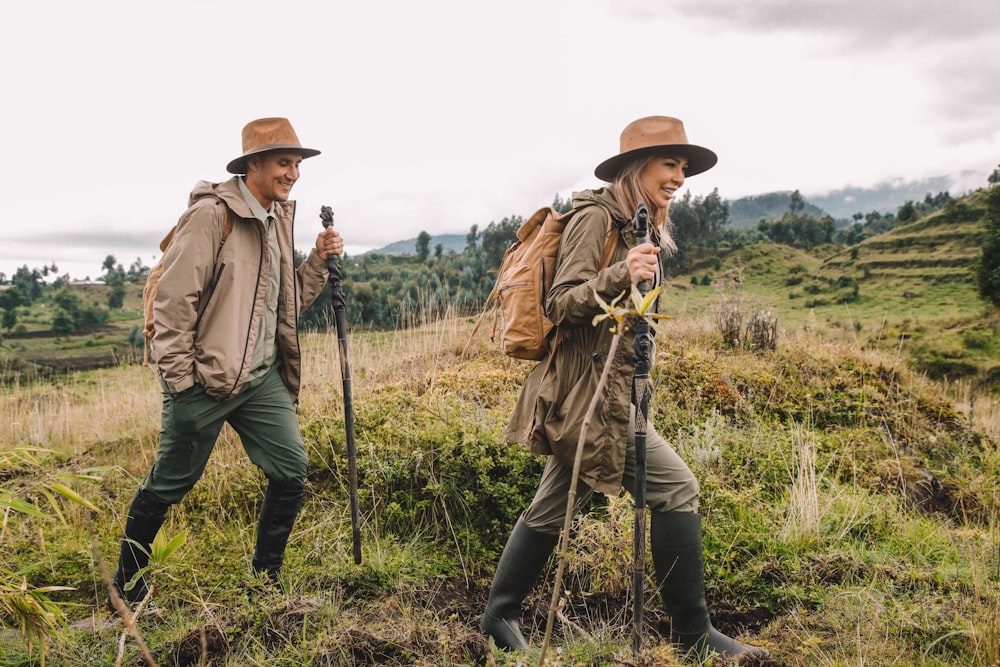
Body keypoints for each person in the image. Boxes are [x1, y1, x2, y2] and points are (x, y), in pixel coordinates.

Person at [480, 116, 770, 663]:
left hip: (614, 394)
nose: (680, 177)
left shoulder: (641, 226)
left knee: (554, 506)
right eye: (670, 165)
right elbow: (560, 302)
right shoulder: (596, 218)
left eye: (684, 168)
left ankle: (499, 615)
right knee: (676, 488)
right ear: (639, 166)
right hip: (585, 394)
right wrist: (621, 274)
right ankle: (692, 636)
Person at [110, 117, 344, 609]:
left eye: (298, 164)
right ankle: (127, 586)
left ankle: (265, 582)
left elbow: (286, 303)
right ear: (252, 164)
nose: (294, 173)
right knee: (170, 483)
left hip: (260, 381)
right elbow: (173, 303)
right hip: (204, 382)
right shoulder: (211, 216)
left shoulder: (278, 218)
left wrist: (318, 262)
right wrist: (180, 381)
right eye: (284, 162)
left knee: (291, 470)